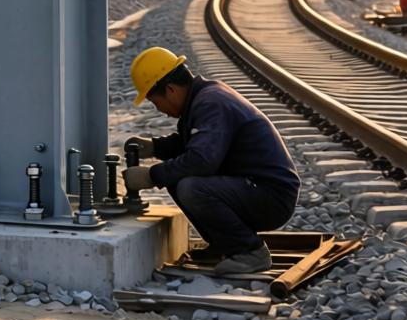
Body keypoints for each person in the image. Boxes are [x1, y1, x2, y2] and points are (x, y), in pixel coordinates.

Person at [121, 47, 300, 275]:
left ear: (170, 90)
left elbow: (200, 160)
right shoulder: (203, 98)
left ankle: (250, 252)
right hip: (252, 187)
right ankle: (224, 245)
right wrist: (155, 147)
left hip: (271, 196)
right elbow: (194, 145)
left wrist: (150, 176)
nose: (161, 111)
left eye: (156, 103)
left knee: (191, 186)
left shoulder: (210, 103)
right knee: (178, 178)